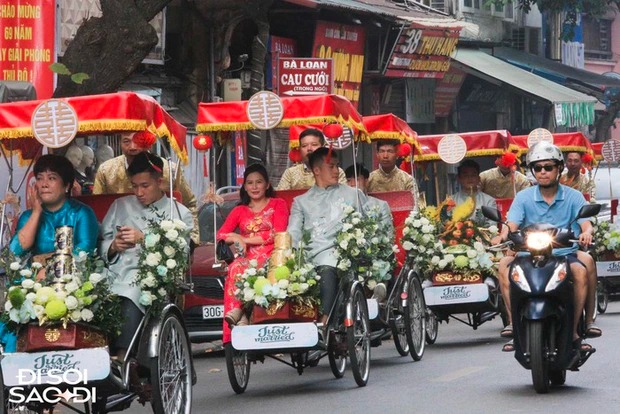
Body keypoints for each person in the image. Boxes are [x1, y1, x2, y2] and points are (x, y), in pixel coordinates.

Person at [491, 142, 601, 352]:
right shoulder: (523, 197)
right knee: (504, 264)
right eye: (538, 168)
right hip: (528, 253)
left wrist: (586, 232)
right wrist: (502, 235)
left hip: (564, 252)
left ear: (559, 169)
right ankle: (514, 324)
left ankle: (578, 329)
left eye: (548, 167)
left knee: (581, 269)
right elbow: (512, 223)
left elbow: (585, 223)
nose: (543, 172)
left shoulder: (573, 196)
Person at [100, 152, 193, 360]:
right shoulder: (120, 206)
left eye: (145, 186)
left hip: (149, 274)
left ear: (159, 182)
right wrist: (113, 246)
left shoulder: (179, 213)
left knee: (132, 291)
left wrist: (143, 238)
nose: (139, 192)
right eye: (134, 186)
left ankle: (123, 355)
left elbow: (182, 252)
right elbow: (102, 243)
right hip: (115, 269)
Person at [1, 154, 99, 352]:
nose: (44, 184)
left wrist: (50, 270)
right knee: (12, 297)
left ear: (66, 186)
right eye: (40, 178)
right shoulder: (29, 216)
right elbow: (15, 251)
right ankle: (12, 355)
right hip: (33, 277)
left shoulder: (82, 213)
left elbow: (84, 250)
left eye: (52, 178)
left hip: (72, 273)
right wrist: (36, 211)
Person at [288, 147, 367, 324]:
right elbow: (293, 231)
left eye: (337, 166)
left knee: (327, 266)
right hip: (309, 255)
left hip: (342, 254)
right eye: (331, 166)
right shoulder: (301, 202)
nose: (336, 170)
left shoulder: (353, 195)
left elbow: (366, 225)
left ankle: (324, 321)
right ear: (316, 170)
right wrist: (290, 254)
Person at [217, 164, 289, 341]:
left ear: (267, 185)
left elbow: (278, 233)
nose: (254, 187)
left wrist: (244, 239)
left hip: (274, 255)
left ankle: (241, 312)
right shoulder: (239, 210)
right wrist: (234, 238)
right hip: (247, 258)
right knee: (235, 268)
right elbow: (221, 234)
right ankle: (235, 322)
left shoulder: (278, 204)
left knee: (256, 266)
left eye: (259, 182)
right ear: (245, 186)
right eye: (250, 183)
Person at [93, 132, 199, 244]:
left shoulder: (169, 170)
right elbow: (97, 209)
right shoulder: (106, 170)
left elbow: (189, 203)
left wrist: (191, 243)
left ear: (149, 142)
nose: (133, 147)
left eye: (137, 140)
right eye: (126, 141)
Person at [345, 163, 393, 302]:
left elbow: (387, 233)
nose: (353, 184)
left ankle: (380, 288)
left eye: (357, 179)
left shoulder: (380, 205)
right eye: (349, 180)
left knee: (384, 258)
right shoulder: (342, 206)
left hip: (375, 249)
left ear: (366, 181)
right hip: (350, 251)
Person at [276, 128, 347, 190]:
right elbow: (282, 197)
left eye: (314, 144)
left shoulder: (337, 172)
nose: (309, 149)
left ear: (323, 147)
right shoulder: (290, 173)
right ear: (300, 149)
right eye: (304, 146)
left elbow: (344, 197)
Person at [452, 160, 497, 226]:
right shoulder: (451, 201)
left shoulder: (489, 201)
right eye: (465, 175)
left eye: (473, 175)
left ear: (479, 179)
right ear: (459, 179)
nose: (470, 178)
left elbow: (493, 225)